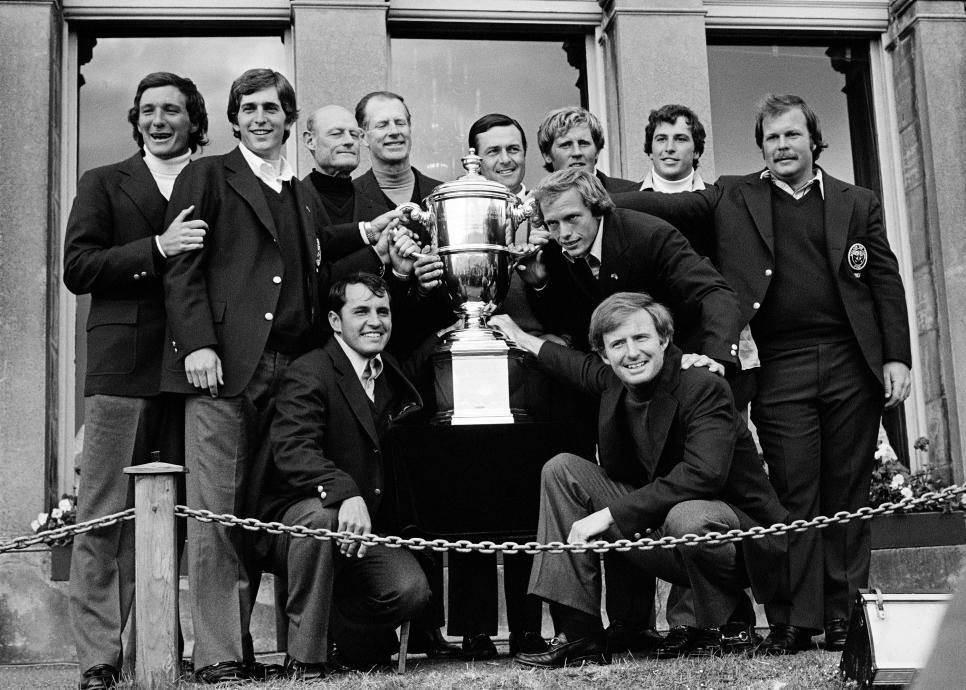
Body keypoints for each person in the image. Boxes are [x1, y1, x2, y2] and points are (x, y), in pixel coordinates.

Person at [612, 93, 912, 654]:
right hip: (777, 365)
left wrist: (896, 356)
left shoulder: (858, 201)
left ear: (813, 141)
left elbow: (884, 281)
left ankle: (847, 617)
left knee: (846, 492)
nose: (781, 146)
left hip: (851, 361)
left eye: (791, 135)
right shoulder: (733, 193)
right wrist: (597, 195)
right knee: (793, 492)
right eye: (771, 138)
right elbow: (669, 209)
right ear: (761, 147)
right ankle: (796, 618)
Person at [161, 68, 384, 683]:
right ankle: (221, 655)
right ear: (234, 120)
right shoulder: (207, 175)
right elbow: (182, 268)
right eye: (249, 108)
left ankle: (299, 649)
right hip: (225, 372)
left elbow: (311, 249)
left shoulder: (299, 191)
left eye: (272, 109)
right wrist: (197, 345)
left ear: (290, 119)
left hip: (292, 374)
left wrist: (371, 233)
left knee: (284, 505)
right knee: (218, 514)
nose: (261, 118)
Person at [489, 292, 788, 667]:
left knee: (688, 516)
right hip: (659, 528)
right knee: (562, 469)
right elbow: (569, 362)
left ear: (664, 339)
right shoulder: (613, 380)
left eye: (641, 338)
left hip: (737, 538)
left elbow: (704, 474)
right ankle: (580, 633)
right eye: (618, 344)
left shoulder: (701, 383)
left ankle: (724, 621)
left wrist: (610, 514)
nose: (631, 352)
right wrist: (520, 335)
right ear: (604, 354)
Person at [63, 71, 209, 690]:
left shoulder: (214, 181)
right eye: (148, 110)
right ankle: (99, 657)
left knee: (184, 520)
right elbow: (78, 267)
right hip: (121, 371)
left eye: (171, 110)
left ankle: (165, 643)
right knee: (103, 518)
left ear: (193, 120)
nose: (158, 120)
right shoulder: (103, 182)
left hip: (193, 374)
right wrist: (157, 245)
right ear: (136, 118)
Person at [251, 272, 431, 678]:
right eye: (361, 311)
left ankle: (340, 636)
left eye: (383, 311)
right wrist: (343, 491)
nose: (375, 321)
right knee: (322, 520)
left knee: (410, 591)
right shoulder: (310, 371)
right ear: (335, 321)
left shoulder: (390, 372)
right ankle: (304, 659)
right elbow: (293, 451)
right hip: (295, 522)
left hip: (363, 532)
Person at [519, 167, 740, 367]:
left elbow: (714, 293)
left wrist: (715, 357)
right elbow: (569, 320)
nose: (564, 233)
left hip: (681, 358)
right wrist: (540, 284)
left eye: (572, 218)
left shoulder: (651, 236)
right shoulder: (552, 249)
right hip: (613, 371)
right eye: (553, 223)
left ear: (597, 209)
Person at [536, 106, 637, 193]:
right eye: (566, 145)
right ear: (547, 155)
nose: (577, 152)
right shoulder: (536, 204)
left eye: (584, 144)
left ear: (597, 151)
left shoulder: (632, 194)